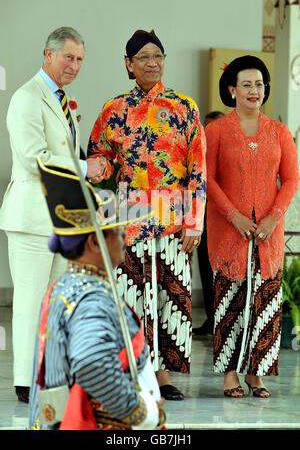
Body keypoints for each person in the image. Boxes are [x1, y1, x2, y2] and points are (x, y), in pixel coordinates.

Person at [87, 29, 207, 400]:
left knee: (169, 299)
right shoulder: (113, 109)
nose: (153, 62)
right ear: (129, 64)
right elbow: (100, 162)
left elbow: (198, 169)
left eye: (158, 55)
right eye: (144, 57)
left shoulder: (183, 107)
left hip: (173, 218)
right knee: (129, 298)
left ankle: (163, 376)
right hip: (130, 218)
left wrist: (194, 221)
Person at [0, 27, 102, 403]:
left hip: (61, 219)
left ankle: (51, 372)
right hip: (31, 218)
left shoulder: (62, 99)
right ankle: (26, 381)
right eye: (68, 57)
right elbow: (33, 157)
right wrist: (84, 167)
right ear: (48, 54)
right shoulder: (27, 97)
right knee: (30, 300)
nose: (74, 65)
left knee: (57, 301)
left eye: (79, 59)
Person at [29, 158, 165, 430]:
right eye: (117, 232)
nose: (125, 238)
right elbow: (92, 363)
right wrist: (142, 412)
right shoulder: (92, 297)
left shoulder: (66, 286)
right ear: (94, 242)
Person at [205, 55, 299, 397]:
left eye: (259, 84)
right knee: (230, 304)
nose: (253, 90)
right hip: (229, 231)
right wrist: (234, 215)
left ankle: (256, 374)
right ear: (231, 90)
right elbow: (208, 180)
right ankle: (230, 375)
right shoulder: (215, 131)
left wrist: (274, 217)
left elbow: (291, 179)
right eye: (246, 84)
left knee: (265, 303)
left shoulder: (279, 131)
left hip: (268, 235)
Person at [193, 111, 224, 337]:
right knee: (205, 268)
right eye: (207, 128)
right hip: (203, 218)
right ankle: (211, 318)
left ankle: (224, 319)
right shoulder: (199, 153)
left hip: (224, 220)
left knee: (222, 272)